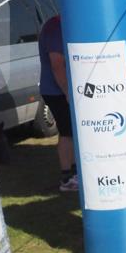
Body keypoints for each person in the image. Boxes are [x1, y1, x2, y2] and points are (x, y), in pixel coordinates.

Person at [37, 15, 77, 191]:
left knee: (73, 131)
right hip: (56, 91)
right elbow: (57, 64)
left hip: (62, 89)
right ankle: (67, 177)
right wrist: (67, 91)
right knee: (67, 132)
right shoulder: (55, 28)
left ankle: (75, 173)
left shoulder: (61, 24)